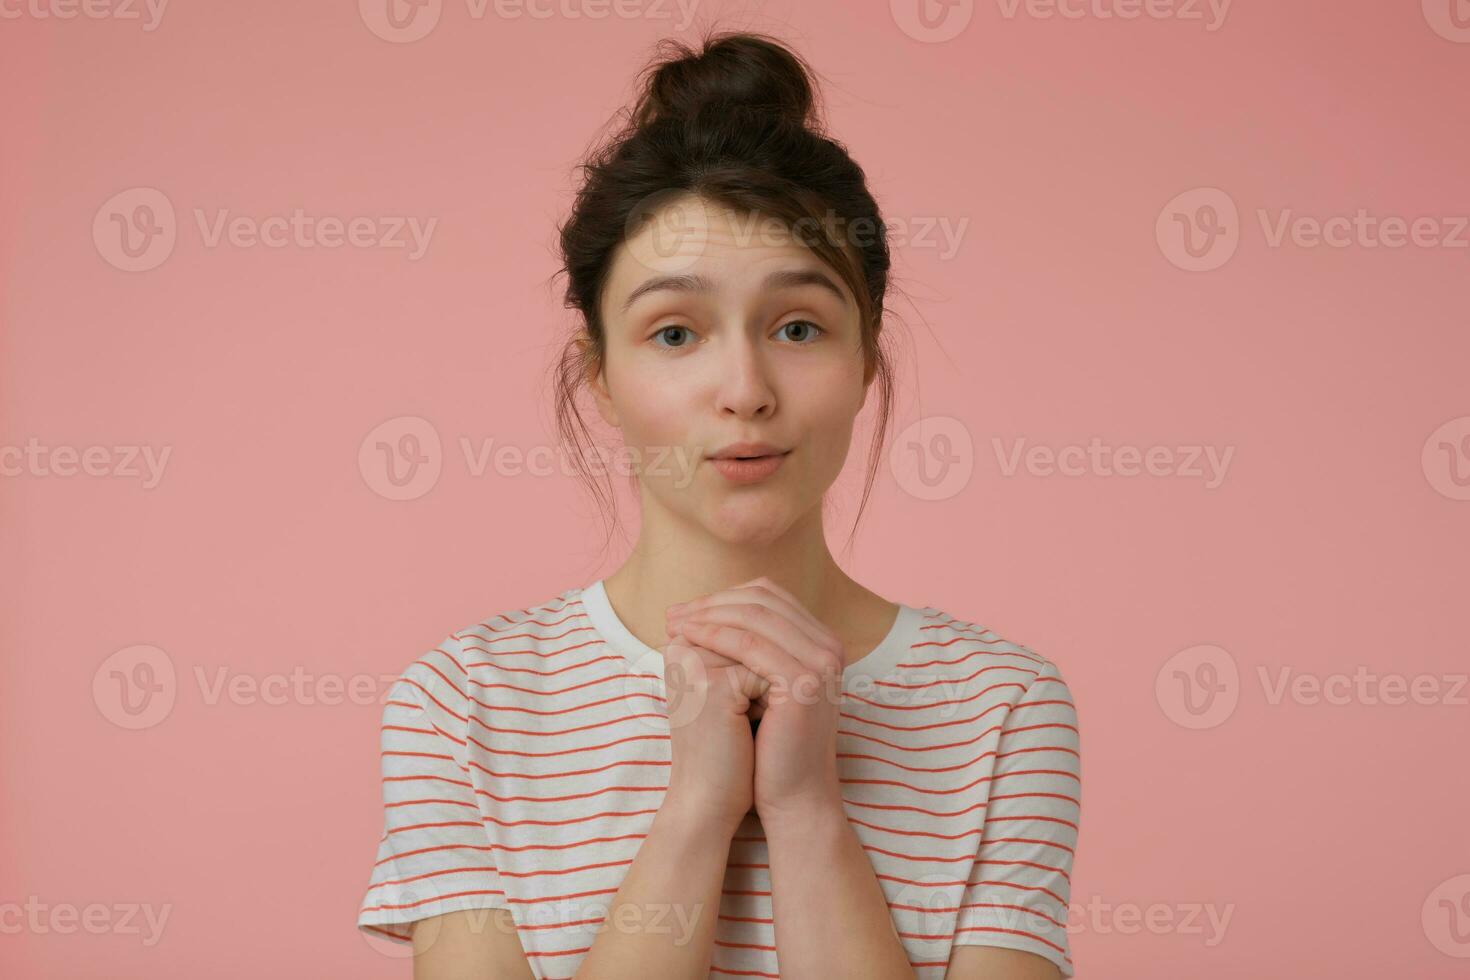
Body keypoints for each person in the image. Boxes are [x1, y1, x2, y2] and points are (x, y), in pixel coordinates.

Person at [356, 29, 1080, 980]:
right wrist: (698, 805)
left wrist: (809, 808)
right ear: (601, 376)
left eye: (796, 326)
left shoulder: (1001, 705)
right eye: (674, 332)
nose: (744, 388)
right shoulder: (464, 704)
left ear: (866, 363)